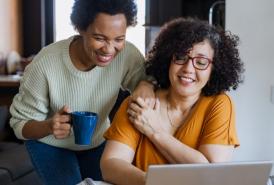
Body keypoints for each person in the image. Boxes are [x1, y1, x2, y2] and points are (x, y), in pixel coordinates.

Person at [9, 0, 155, 185]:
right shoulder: (44, 64)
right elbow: (20, 124)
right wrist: (49, 126)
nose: (109, 49)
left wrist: (145, 84)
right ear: (80, 28)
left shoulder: (127, 55)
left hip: (97, 141)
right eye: (99, 38)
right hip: (49, 144)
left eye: (119, 39)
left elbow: (149, 79)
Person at [100, 17, 244, 185]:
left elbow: (211, 175)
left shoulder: (219, 104)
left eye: (201, 62)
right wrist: (151, 181)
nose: (188, 69)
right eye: (181, 57)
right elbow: (110, 165)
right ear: (168, 59)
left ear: (214, 68)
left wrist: (155, 132)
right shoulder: (141, 102)